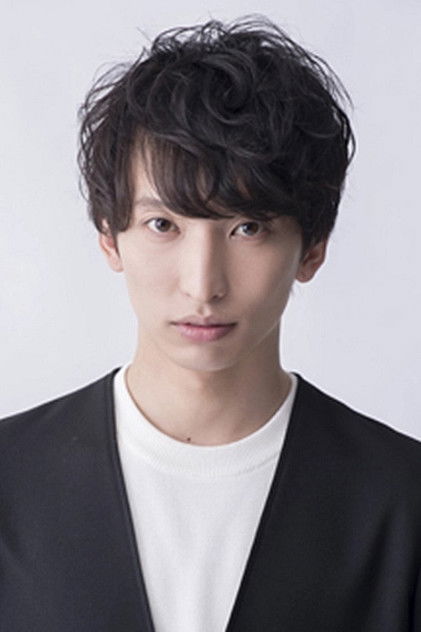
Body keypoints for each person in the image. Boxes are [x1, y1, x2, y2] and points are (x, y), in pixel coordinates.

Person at [0, 14, 420, 632]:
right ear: (109, 237)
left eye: (248, 228)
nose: (203, 285)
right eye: (163, 225)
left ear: (312, 248)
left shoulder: (402, 501)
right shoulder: (11, 480)